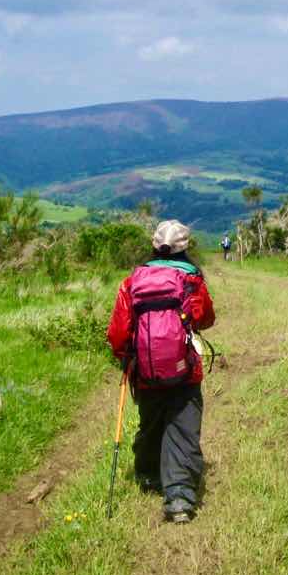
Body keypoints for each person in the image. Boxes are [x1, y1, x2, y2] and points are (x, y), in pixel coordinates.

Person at [107, 220, 216, 522]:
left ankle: (149, 476)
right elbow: (205, 318)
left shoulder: (132, 282)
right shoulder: (192, 280)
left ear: (154, 245)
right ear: (185, 248)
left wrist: (126, 358)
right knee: (182, 427)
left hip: (145, 370)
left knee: (151, 422)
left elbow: (117, 332)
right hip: (184, 370)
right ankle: (179, 497)